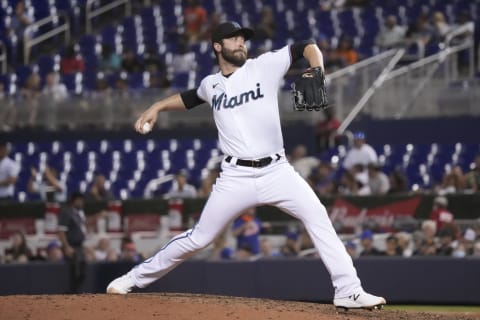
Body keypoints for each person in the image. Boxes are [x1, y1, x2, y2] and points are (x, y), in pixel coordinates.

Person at [106, 21, 386, 310]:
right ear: (218, 46)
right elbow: (189, 98)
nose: (241, 43)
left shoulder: (263, 66)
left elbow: (307, 47)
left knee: (317, 216)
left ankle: (348, 290)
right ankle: (132, 279)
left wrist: (316, 70)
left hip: (277, 171)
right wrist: (156, 107)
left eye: (243, 39)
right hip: (235, 176)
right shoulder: (210, 85)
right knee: (199, 238)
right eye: (233, 39)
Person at [57, 192, 88, 293]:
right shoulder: (66, 212)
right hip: (72, 245)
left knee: (82, 269)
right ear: (74, 200)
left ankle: (76, 292)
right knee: (75, 270)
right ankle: (71, 293)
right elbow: (61, 231)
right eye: (80, 200)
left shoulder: (79, 213)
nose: (82, 202)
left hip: (79, 246)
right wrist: (66, 247)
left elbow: (83, 225)